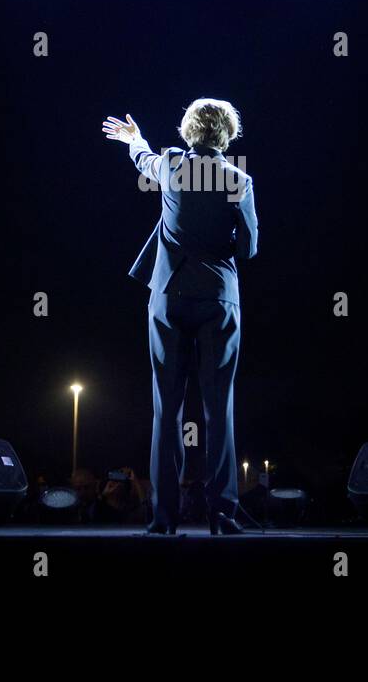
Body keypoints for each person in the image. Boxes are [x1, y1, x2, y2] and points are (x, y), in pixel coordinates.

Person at [102, 99, 258, 535]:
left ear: (188, 132)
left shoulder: (172, 164)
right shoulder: (238, 180)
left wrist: (135, 141)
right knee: (218, 409)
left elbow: (146, 160)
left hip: (168, 298)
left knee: (166, 410)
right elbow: (248, 250)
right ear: (227, 134)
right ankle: (222, 517)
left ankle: (163, 519)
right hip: (218, 301)